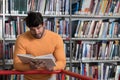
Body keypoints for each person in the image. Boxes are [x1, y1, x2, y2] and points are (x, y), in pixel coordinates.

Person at [13, 11, 66, 80]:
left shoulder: (56, 38)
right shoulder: (21, 39)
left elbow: (62, 61)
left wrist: (53, 68)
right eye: (32, 29)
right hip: (29, 78)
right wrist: (30, 67)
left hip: (49, 78)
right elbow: (17, 64)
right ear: (29, 28)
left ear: (43, 24)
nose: (36, 32)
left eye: (38, 28)